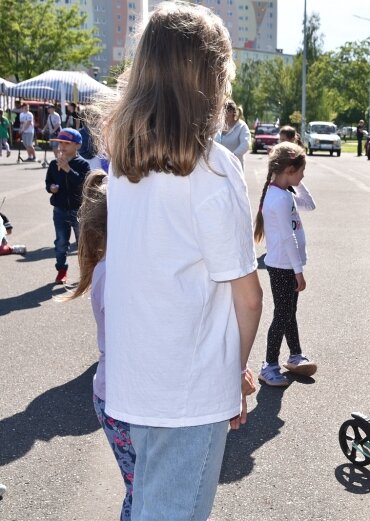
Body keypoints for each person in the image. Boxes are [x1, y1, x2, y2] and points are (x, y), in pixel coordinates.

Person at [100, 4, 263, 520]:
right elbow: (247, 294)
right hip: (187, 389)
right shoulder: (214, 169)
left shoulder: (123, 159)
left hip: (132, 381)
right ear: (211, 77)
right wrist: (234, 372)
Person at [60, 171, 138, 521]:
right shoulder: (117, 272)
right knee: (145, 492)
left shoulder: (117, 267)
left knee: (146, 489)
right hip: (121, 400)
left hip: (120, 396)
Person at [254, 142, 317, 387]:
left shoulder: (284, 193)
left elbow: (310, 205)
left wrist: (297, 181)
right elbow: (287, 238)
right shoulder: (278, 199)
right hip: (283, 265)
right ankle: (269, 365)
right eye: (301, 170)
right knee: (282, 315)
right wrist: (298, 271)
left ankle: (295, 355)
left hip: (288, 265)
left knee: (288, 312)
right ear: (289, 169)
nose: (303, 176)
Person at [45, 128, 90, 284]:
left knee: (82, 244)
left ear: (77, 145)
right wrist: (51, 188)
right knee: (61, 242)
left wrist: (68, 170)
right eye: (60, 143)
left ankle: (86, 273)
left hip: (79, 210)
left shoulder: (83, 164)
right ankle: (61, 270)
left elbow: (83, 185)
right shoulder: (53, 164)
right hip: (60, 210)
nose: (62, 146)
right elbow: (48, 183)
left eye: (66, 143)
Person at [215, 99, 251, 168]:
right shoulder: (218, 125)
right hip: (219, 165)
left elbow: (245, 144)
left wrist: (232, 157)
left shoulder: (241, 126)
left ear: (232, 112)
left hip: (234, 165)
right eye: (221, 111)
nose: (223, 113)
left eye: (225, 111)